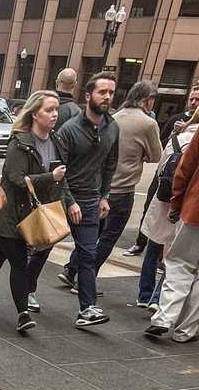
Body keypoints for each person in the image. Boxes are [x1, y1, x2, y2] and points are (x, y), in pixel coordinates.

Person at [0, 91, 72, 333]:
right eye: (49, 110)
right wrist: (50, 177)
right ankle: (23, 313)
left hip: (32, 213)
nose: (55, 114)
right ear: (35, 113)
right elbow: (15, 179)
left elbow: (62, 177)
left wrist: (69, 201)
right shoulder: (20, 142)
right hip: (9, 213)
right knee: (19, 263)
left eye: (56, 109)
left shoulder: (56, 141)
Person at [60, 80, 161, 289]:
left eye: (111, 93)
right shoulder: (147, 123)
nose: (107, 97)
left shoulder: (113, 119)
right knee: (107, 237)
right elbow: (156, 156)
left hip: (98, 187)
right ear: (147, 100)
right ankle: (87, 280)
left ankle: (72, 269)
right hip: (121, 188)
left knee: (90, 235)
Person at [54, 74, 119, 327]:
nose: (107, 97)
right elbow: (60, 169)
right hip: (65, 198)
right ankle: (26, 292)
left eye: (111, 93)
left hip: (91, 201)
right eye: (102, 92)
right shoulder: (69, 129)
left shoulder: (112, 127)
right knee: (43, 248)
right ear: (88, 95)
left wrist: (104, 196)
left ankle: (87, 308)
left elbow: (110, 165)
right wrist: (69, 201)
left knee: (88, 254)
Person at [132, 110, 199, 309]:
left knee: (154, 246)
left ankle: (144, 295)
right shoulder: (192, 138)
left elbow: (161, 167)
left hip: (164, 199)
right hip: (186, 205)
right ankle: (158, 299)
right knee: (176, 256)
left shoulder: (179, 137)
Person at [126, 81, 199, 254]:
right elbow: (161, 146)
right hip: (165, 177)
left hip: (183, 187)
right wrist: (175, 133)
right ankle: (141, 242)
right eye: (192, 98)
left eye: (197, 99)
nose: (194, 102)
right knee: (152, 216)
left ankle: (158, 253)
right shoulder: (176, 119)